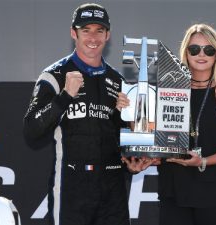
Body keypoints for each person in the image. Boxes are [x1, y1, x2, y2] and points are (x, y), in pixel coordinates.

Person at [23, 3, 151, 225]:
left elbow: (120, 136)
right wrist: (64, 96)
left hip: (113, 185)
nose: (93, 37)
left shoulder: (118, 80)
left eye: (99, 30)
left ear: (108, 35)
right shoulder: (54, 75)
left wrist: (132, 159)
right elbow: (31, 130)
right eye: (86, 30)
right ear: (74, 33)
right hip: (73, 183)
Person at [157, 24, 216, 225]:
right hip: (174, 189)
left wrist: (203, 161)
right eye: (194, 49)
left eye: (209, 49)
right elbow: (157, 136)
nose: (201, 54)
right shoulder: (168, 91)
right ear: (186, 53)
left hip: (215, 192)